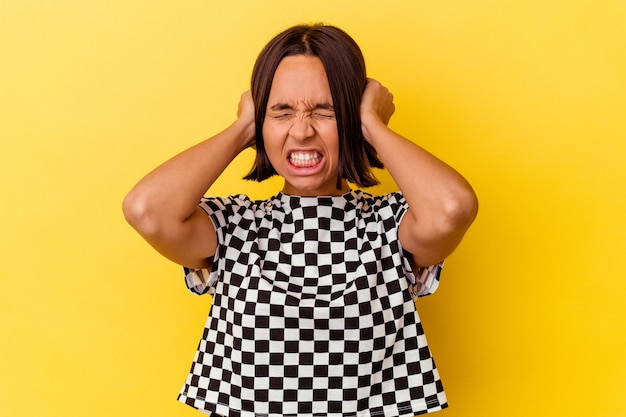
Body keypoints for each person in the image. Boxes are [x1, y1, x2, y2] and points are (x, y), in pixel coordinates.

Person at [123, 23, 478, 417]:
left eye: (325, 111)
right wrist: (244, 126)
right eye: (281, 111)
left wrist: (372, 126)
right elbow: (146, 211)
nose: (302, 130)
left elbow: (452, 209)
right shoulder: (236, 227)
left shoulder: (389, 225)